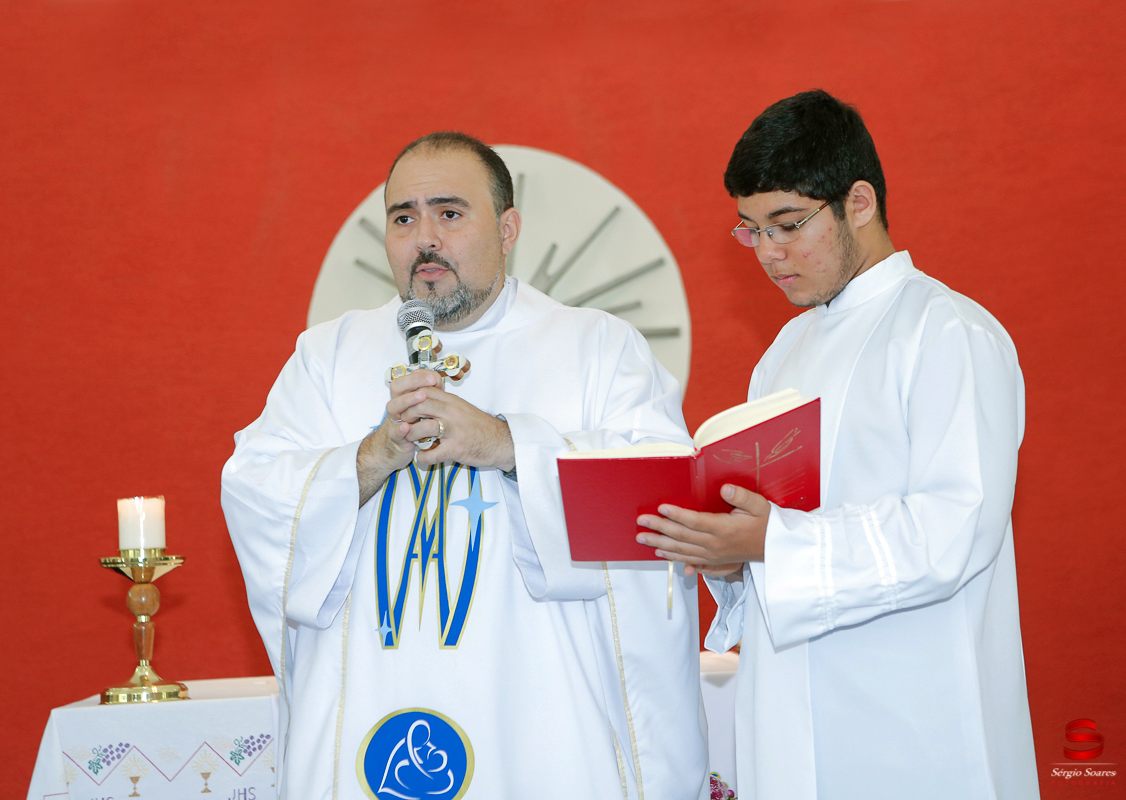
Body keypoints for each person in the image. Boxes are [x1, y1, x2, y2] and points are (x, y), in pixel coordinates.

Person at [221, 131, 707, 800]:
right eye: (403, 218)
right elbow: (255, 494)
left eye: (449, 213)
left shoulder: (597, 347)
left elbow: (661, 505)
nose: (425, 237)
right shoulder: (327, 355)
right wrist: (373, 455)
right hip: (370, 696)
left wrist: (508, 447)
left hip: (539, 714)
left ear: (507, 230)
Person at [636, 91, 1039, 799]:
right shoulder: (786, 351)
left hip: (913, 719)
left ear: (858, 202)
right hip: (788, 711)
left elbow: (953, 529)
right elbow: (775, 526)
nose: (768, 253)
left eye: (787, 225)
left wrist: (772, 545)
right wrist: (725, 552)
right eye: (750, 230)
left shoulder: (948, 333)